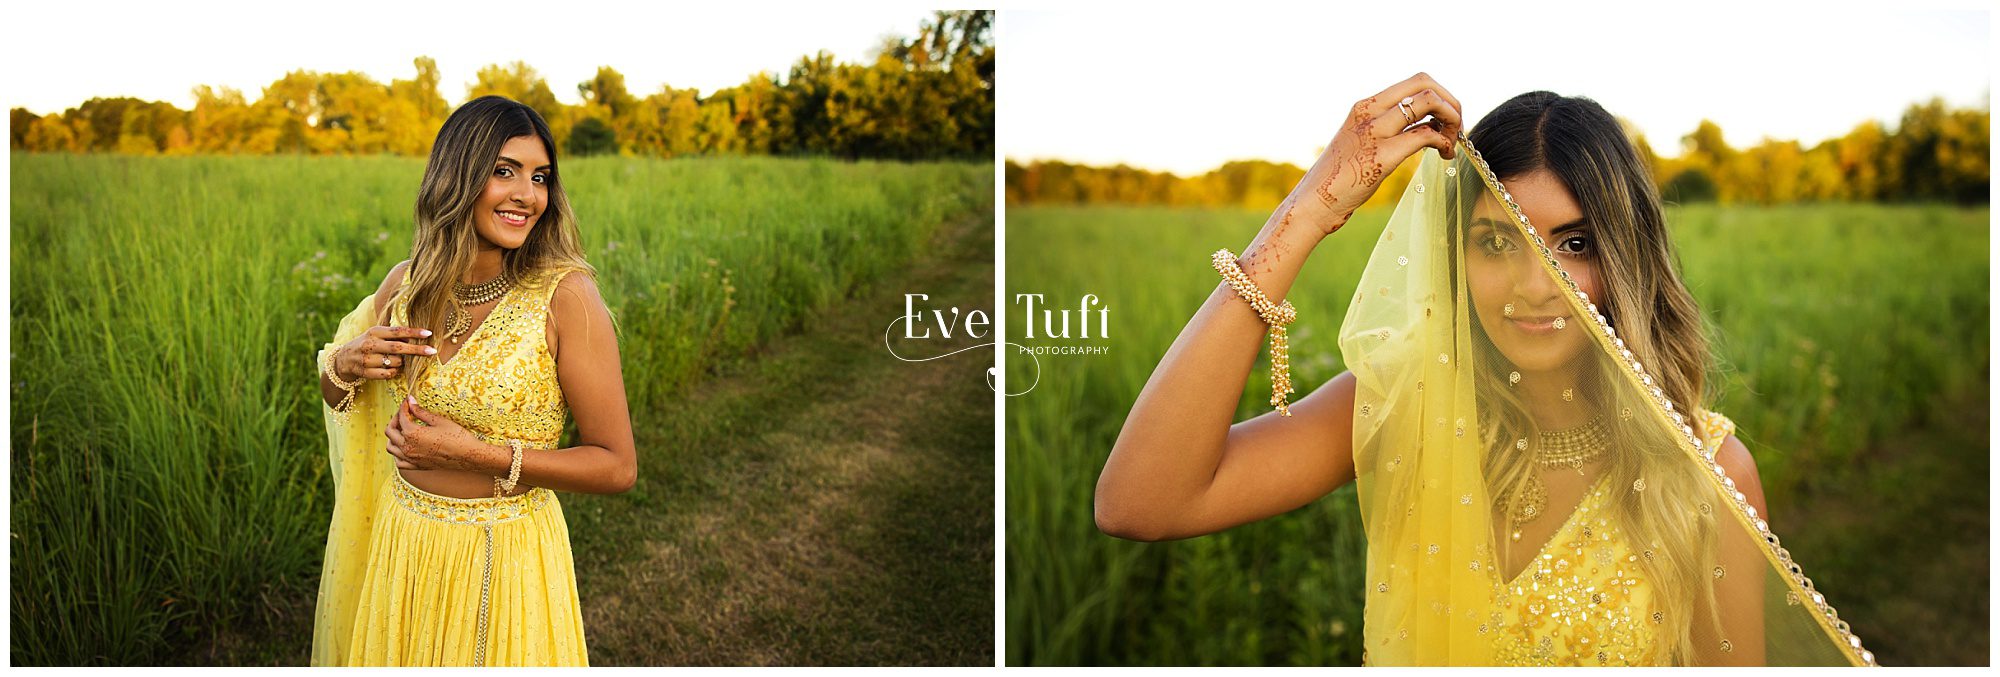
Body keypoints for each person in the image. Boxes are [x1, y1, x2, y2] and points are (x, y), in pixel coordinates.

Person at [1095, 74, 1873, 666]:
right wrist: (1308, 208)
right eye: (1498, 241)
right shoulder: (1406, 408)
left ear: (1627, 256)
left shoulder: (1703, 476)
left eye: (1575, 244)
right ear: (1454, 255)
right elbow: (1140, 500)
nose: (1537, 286)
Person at [308, 95, 637, 666]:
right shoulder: (408, 284)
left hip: (500, 558)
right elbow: (342, 400)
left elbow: (616, 466)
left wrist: (480, 455)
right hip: (403, 544)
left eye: (540, 177)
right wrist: (346, 363)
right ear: (457, 175)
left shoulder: (565, 298)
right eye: (504, 171)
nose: (526, 195)